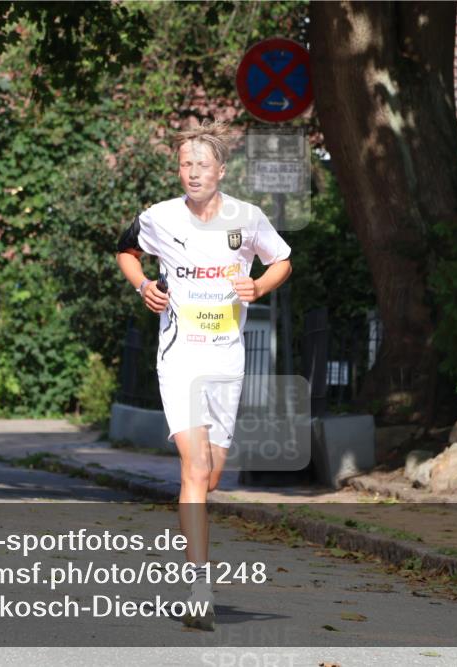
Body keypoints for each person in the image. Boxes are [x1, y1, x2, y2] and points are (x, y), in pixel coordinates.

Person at [115, 120, 292, 630]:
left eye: (201, 164)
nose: (192, 173)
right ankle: (198, 588)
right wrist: (143, 285)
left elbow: (282, 260)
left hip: (225, 358)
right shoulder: (158, 218)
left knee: (211, 474)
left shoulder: (247, 218)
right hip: (179, 356)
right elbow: (127, 251)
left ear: (220, 169)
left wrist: (259, 286)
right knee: (192, 471)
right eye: (185, 165)